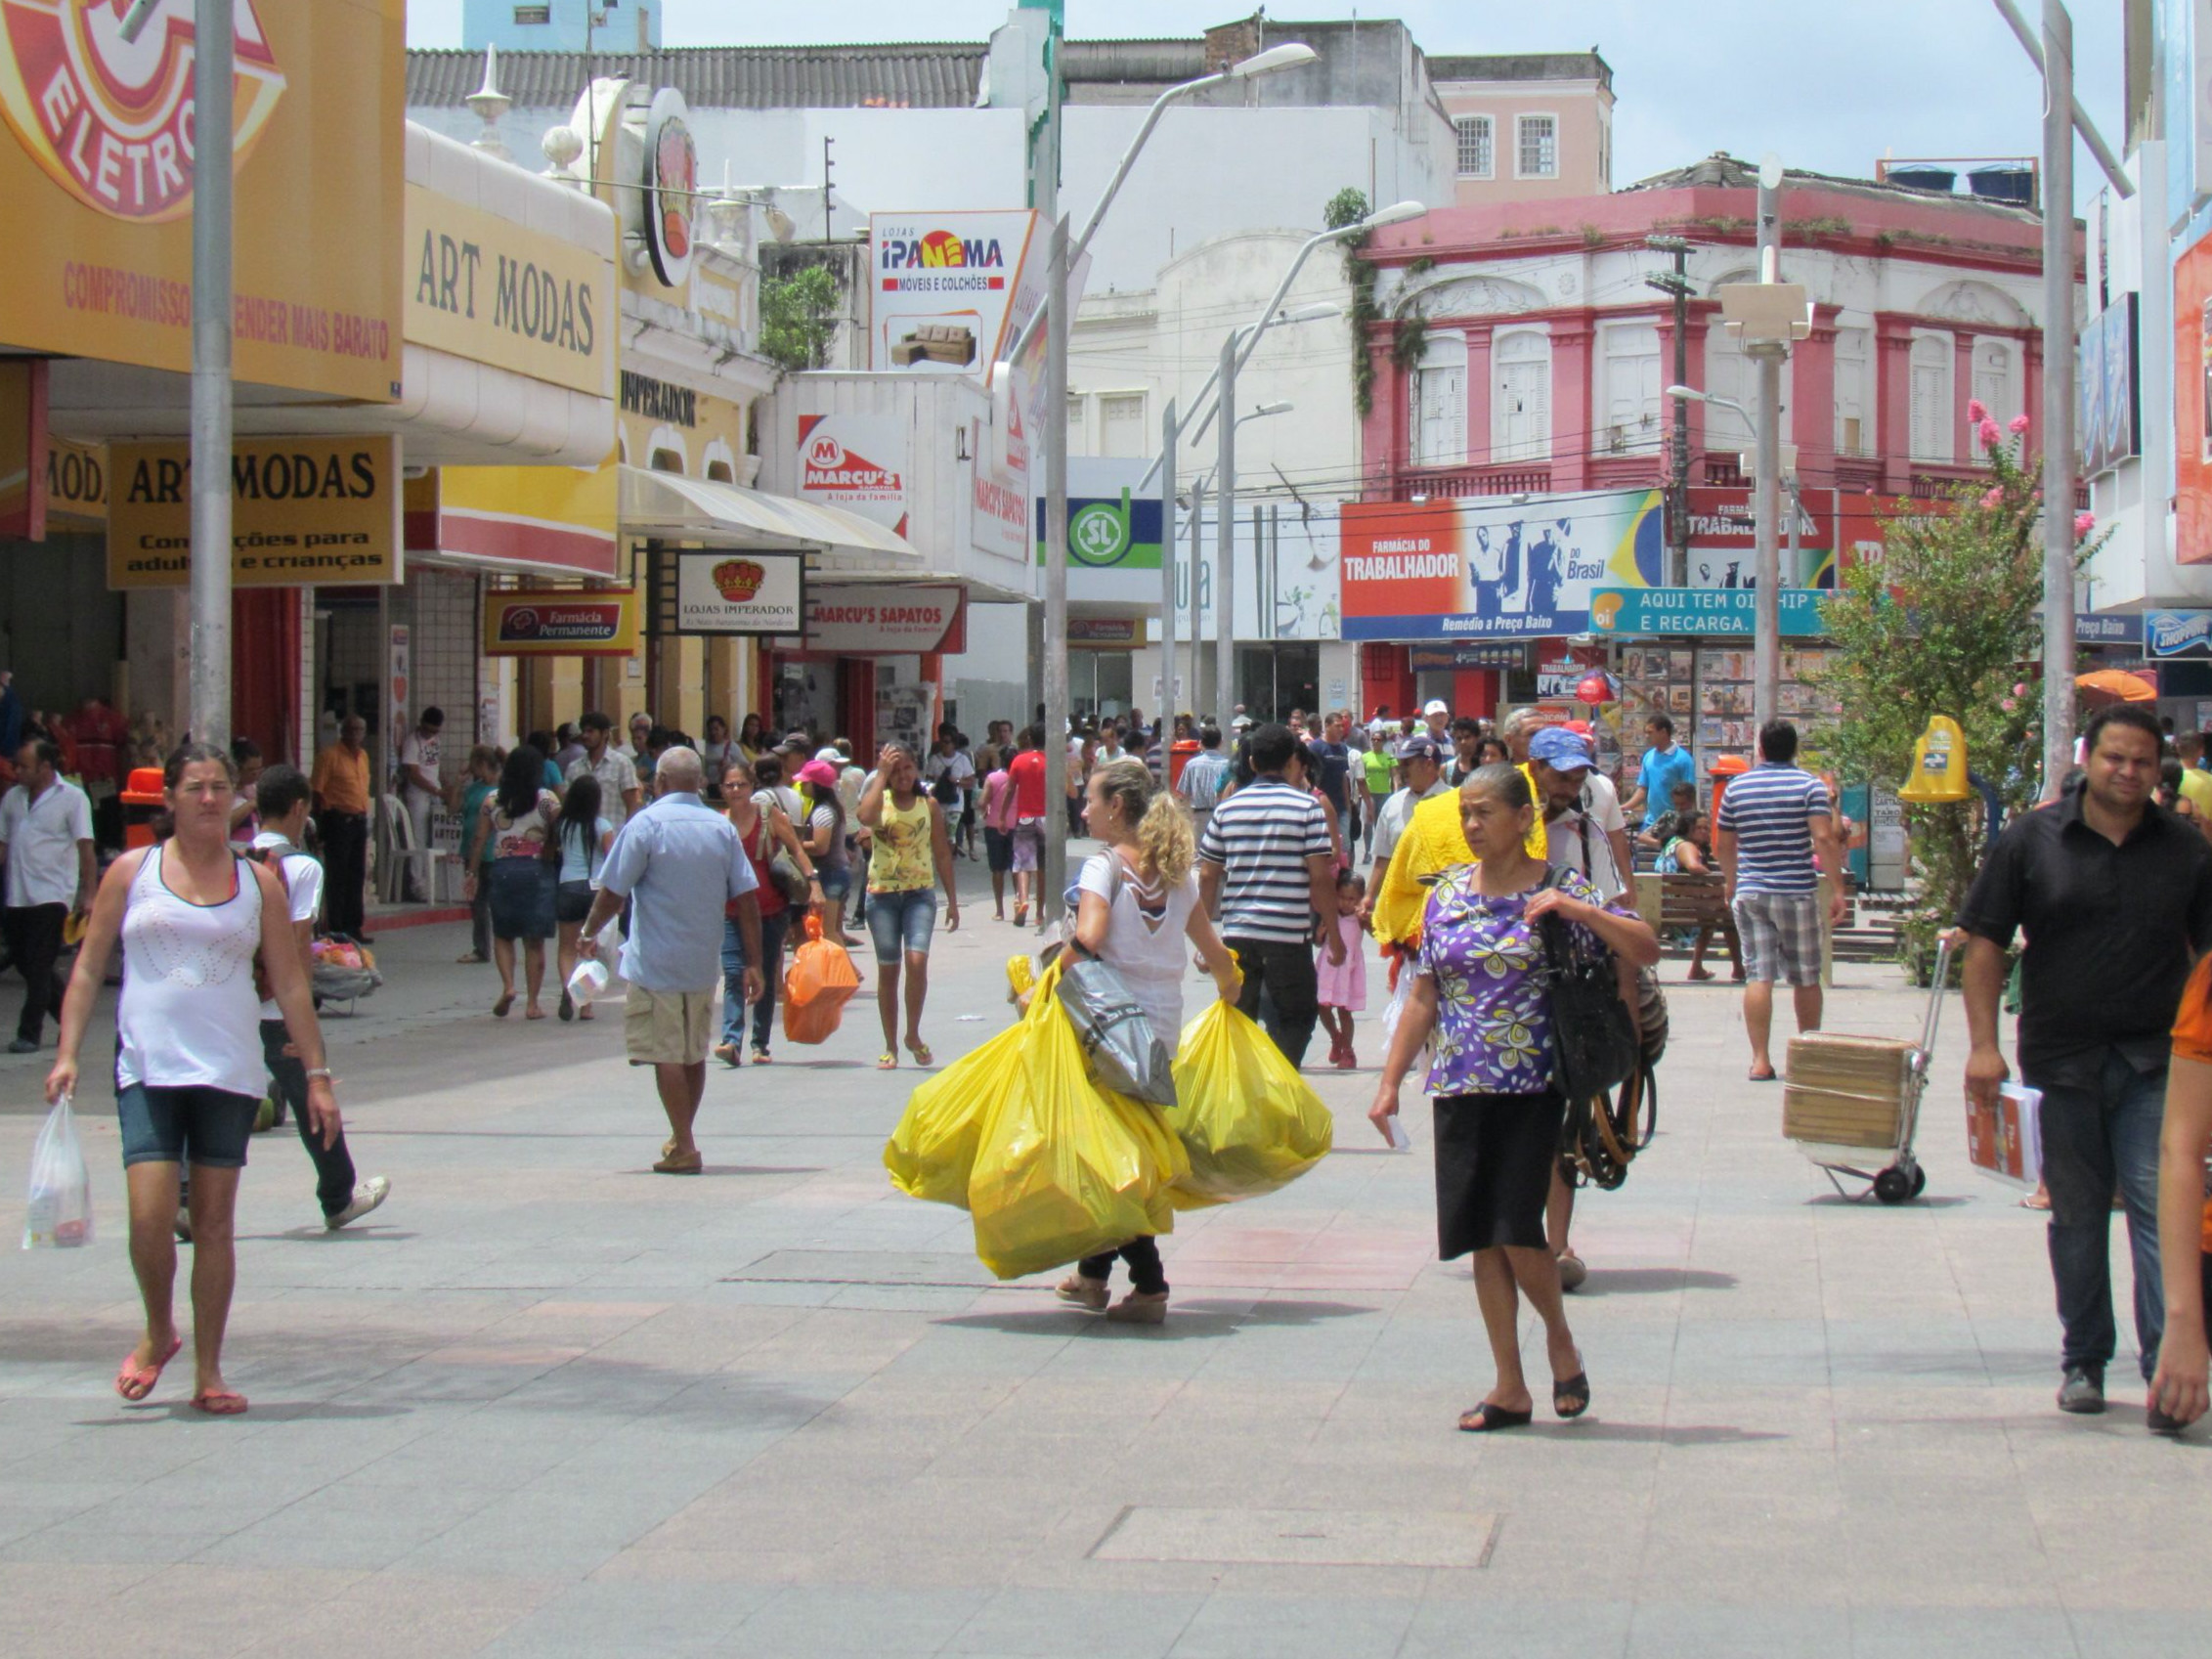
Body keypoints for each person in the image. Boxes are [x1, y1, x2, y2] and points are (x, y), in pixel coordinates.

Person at [47, 743, 341, 1417]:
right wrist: (67, 1053)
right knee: (150, 1219)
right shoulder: (132, 872)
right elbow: (89, 967)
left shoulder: (257, 883)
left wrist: (317, 1073)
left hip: (229, 1071)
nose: (209, 798)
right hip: (147, 1067)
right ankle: (159, 1331)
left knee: (213, 1222)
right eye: (195, 787)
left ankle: (209, 1369)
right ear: (170, 799)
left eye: (219, 787)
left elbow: (291, 982)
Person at [1368, 764, 1659, 1431]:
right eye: (1464, 814)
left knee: (1514, 1225)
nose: (1470, 826)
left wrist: (1581, 910)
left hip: (1535, 1082)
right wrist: (1388, 1083)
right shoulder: (1443, 896)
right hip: (1460, 1082)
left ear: (1523, 818)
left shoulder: (1562, 886)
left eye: (1484, 813)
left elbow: (1642, 947)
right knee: (1479, 1235)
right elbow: (1423, 994)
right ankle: (1508, 1386)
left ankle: (1558, 1337)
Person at [1962, 702, 2212, 1418]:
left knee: (2158, 1205)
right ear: (2088, 760)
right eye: (2114, 759)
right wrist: (1982, 1047)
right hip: (2059, 1058)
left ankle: (2169, 1366)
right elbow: (1983, 942)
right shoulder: (2029, 839)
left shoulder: (2186, 850)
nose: (2127, 772)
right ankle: (2084, 1361)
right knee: (2074, 1215)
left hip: (2155, 1062)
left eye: (2140, 761)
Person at [1055, 758, 1242, 1324]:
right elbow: (1215, 956)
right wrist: (1230, 995)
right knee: (1125, 1149)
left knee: (1115, 1158)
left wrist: (1043, 982)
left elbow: (1088, 937)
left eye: (1090, 799)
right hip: (1160, 1029)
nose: (1083, 809)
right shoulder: (1177, 876)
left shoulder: (1103, 869)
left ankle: (1150, 1283)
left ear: (1116, 808)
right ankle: (1092, 1277)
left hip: (1108, 1028)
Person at [581, 748, 762, 1174]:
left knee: (666, 1052)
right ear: (699, 783)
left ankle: (685, 1143)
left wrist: (588, 933)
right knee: (692, 1052)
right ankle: (682, 1134)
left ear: (659, 782)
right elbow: (747, 898)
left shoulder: (645, 825)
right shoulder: (720, 829)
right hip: (702, 959)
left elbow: (613, 891)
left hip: (656, 960)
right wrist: (754, 961)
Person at [248, 765, 389, 1230]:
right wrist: (303, 1011)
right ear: (299, 808)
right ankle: (337, 1197)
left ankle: (186, 1197)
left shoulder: (236, 861)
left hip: (232, 1004)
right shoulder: (302, 867)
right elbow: (298, 940)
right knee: (313, 1099)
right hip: (277, 1007)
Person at [1195, 721, 1342, 1069]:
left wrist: (1206, 943)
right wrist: (1334, 936)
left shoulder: (1227, 809)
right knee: (1299, 1016)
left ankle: (1250, 1084)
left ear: (1251, 763)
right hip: (1288, 936)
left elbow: (1207, 875)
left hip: (1238, 934)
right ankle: (1278, 1078)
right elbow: (1320, 878)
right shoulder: (1307, 808)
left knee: (1240, 1019)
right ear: (1292, 761)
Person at [1714, 720, 1843, 1082]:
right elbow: (1823, 838)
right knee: (1805, 977)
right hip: (1796, 891)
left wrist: (1731, 881)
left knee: (1758, 974)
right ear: (1795, 749)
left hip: (1752, 891)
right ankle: (1808, 1054)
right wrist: (1837, 889)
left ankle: (1760, 1060)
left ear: (1760, 748)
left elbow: (1724, 844)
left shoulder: (1737, 788)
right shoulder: (1809, 787)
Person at [857, 742, 961, 1069]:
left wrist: (953, 902)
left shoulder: (927, 804)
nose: (902, 776)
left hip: (919, 894)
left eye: (907, 769)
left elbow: (942, 852)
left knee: (916, 961)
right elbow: (864, 816)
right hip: (882, 895)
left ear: (916, 770)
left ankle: (912, 1034)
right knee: (889, 969)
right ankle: (891, 1046)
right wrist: (881, 774)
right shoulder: (881, 800)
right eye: (895, 769)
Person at [716, 757, 821, 1068]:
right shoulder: (720, 823)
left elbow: (798, 849)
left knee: (764, 970)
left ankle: (760, 1042)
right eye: (730, 785)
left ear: (752, 786)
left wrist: (814, 883)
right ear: (722, 788)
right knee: (734, 972)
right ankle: (731, 1039)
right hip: (732, 910)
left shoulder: (767, 815)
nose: (736, 790)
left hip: (771, 910)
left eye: (742, 784)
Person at [0, 737, 94, 1052]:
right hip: (17, 894)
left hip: (52, 895)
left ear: (44, 767)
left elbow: (86, 849)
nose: (17, 771)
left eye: (24, 766)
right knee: (26, 963)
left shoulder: (72, 798)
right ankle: (69, 1019)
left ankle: (29, 1032)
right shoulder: (13, 798)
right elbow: (3, 845)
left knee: (38, 965)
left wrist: (89, 893)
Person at [473, 745, 560, 1021]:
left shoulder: (492, 800)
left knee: (503, 934)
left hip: (503, 869)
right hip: (537, 869)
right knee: (534, 941)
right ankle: (533, 1003)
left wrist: (471, 872)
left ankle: (509, 987)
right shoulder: (546, 800)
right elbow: (561, 827)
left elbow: (479, 839)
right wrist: (551, 846)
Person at [1528, 727, 1633, 905]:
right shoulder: (1506, 826)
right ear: (1534, 768)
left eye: (1578, 781)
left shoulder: (1588, 833)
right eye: (1561, 778)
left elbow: (1611, 910)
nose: (1569, 790)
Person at [1657, 808, 1742, 982]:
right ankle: (1739, 968)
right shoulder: (1687, 846)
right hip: (1683, 908)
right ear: (1687, 828)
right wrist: (1719, 883)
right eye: (1699, 828)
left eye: (1706, 829)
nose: (1704, 832)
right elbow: (1693, 867)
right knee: (1728, 915)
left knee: (1716, 911)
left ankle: (1697, 968)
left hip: (1671, 905)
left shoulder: (1673, 843)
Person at [312, 715, 372, 939]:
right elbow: (317, 791)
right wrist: (320, 826)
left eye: (360, 730)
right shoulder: (329, 756)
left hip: (358, 820)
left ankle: (353, 925)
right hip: (338, 820)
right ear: (343, 732)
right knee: (338, 875)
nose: (356, 734)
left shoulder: (363, 756)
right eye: (352, 730)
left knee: (357, 875)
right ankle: (336, 927)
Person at [1368, 734, 1449, 879]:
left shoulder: (1455, 802)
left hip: (1442, 896)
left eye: (1407, 763)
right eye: (1400, 763)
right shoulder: (1393, 804)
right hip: (1402, 897)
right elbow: (1383, 858)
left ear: (1428, 765)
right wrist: (1369, 897)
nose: (1400, 769)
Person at [1316, 867, 1368, 1070]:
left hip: (1349, 970)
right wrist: (1320, 934)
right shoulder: (1330, 915)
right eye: (1342, 898)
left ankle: (1348, 1050)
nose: (1347, 903)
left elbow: (1377, 932)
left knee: (1344, 1011)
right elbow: (1318, 941)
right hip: (1328, 967)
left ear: (1361, 898)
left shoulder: (1359, 918)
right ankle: (1335, 1036)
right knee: (1322, 1006)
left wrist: (1366, 916)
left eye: (1352, 899)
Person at [455, 744, 500, 965]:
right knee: (476, 901)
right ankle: (482, 945)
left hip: (490, 852)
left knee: (482, 900)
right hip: (470, 849)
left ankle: (483, 948)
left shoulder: (498, 791)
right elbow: (453, 808)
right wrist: (458, 781)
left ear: (482, 764)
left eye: (473, 765)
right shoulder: (474, 789)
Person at [398, 708, 447, 900]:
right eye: (428, 730)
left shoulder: (435, 741)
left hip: (435, 792)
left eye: (435, 731)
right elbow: (414, 774)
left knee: (435, 838)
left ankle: (433, 882)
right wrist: (436, 790)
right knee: (419, 839)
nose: (431, 734)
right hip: (418, 795)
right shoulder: (412, 742)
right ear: (421, 724)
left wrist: (445, 787)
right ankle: (417, 883)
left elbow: (436, 768)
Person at [567, 711, 641, 837]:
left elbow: (632, 803)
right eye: (583, 731)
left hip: (614, 839)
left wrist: (627, 837)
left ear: (605, 733)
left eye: (590, 731)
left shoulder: (622, 764)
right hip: (582, 841)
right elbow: (567, 806)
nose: (585, 736)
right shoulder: (574, 768)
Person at [1626, 713, 1698, 835]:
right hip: (1651, 823)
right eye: (1646, 732)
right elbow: (1643, 789)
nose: (1647, 736)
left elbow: (1690, 795)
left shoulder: (1683, 759)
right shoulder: (1649, 757)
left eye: (1650, 732)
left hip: (1674, 825)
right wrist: (1625, 807)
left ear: (1663, 732)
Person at [1007, 725, 1048, 929]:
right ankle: (1040, 913)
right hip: (1047, 819)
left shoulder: (1018, 760)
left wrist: (1002, 815)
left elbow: (1010, 789)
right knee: (1043, 867)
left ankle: (1023, 900)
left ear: (1029, 739)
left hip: (1024, 817)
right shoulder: (1051, 762)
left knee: (1023, 863)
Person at [1175, 723, 1231, 843]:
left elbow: (1183, 796)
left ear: (1201, 742)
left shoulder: (1192, 764)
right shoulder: (1228, 765)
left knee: (1197, 856)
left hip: (1198, 816)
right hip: (1222, 815)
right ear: (1221, 742)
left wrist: (1188, 818)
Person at [981, 746, 1018, 921]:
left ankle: (999, 910)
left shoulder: (993, 778)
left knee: (997, 870)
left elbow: (982, 801)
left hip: (994, 825)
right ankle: (1020, 902)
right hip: (1017, 825)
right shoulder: (1020, 778)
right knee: (1017, 868)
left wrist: (984, 807)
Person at [1359, 731, 1396, 864]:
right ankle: (1367, 851)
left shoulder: (1389, 758)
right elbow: (1360, 777)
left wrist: (1395, 792)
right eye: (1373, 739)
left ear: (1384, 742)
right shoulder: (1365, 757)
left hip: (1384, 793)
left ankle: (1382, 852)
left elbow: (1394, 777)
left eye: (1378, 739)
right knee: (1367, 824)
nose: (1375, 742)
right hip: (1369, 794)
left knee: (1382, 825)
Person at [227, 737, 263, 846]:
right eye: (251, 770)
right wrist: (250, 805)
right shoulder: (224, 792)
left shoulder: (255, 789)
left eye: (259, 769)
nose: (256, 774)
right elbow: (223, 826)